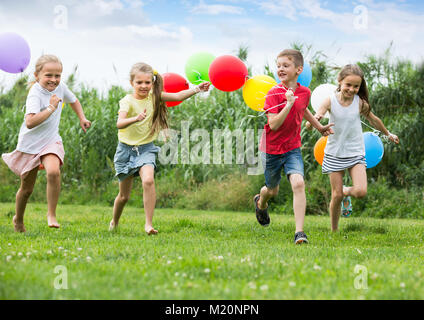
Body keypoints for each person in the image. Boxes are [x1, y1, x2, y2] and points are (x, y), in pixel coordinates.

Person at [109, 62, 210, 235]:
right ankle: (114, 221)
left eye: (147, 83)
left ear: (152, 83)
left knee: (148, 180)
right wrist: (136, 119)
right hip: (125, 151)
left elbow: (178, 97)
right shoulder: (127, 101)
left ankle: (148, 224)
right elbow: (119, 124)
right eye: (139, 82)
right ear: (132, 82)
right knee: (124, 196)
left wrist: (197, 89)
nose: (143, 86)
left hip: (146, 148)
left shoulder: (154, 97)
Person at [1, 54, 91, 232]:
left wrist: (82, 117)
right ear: (37, 76)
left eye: (57, 75)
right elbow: (30, 122)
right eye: (49, 75)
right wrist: (51, 107)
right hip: (30, 145)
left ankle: (51, 214)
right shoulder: (35, 93)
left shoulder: (61, 87)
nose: (54, 79)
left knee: (53, 172)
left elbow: (74, 100)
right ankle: (18, 219)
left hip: (51, 140)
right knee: (26, 189)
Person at [254, 49, 334, 244]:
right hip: (271, 149)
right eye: (278, 65)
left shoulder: (304, 92)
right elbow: (273, 124)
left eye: (285, 65)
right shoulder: (274, 93)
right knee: (271, 190)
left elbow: (304, 109)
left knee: (298, 183)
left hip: (292, 148)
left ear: (299, 69)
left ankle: (299, 232)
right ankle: (260, 202)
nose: (280, 69)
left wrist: (319, 127)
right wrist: (288, 104)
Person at [310, 64, 399, 231]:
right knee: (335, 196)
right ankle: (334, 230)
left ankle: (345, 190)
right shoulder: (330, 100)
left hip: (355, 151)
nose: (351, 89)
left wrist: (388, 134)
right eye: (348, 85)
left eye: (356, 86)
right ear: (340, 81)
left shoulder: (359, 103)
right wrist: (314, 121)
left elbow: (374, 120)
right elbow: (319, 114)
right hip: (334, 152)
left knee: (360, 191)